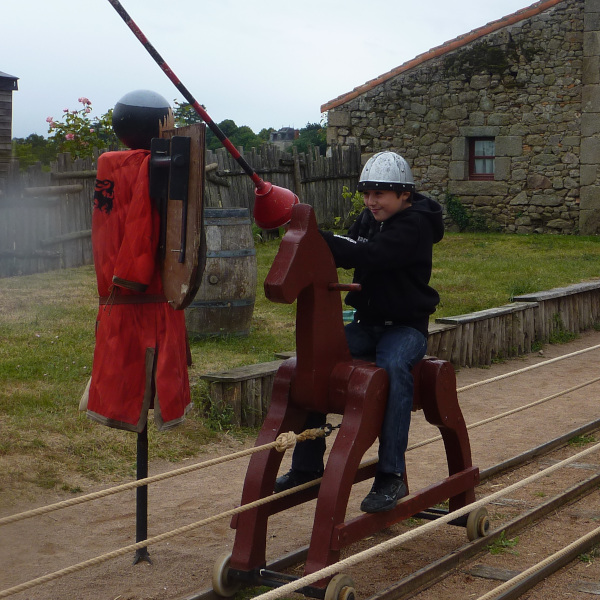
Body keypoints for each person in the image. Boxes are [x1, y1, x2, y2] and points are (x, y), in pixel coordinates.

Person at [274, 151, 444, 513]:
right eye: (367, 193)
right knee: (315, 361)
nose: (371, 201)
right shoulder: (369, 218)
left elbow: (369, 255)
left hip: (405, 328)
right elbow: (346, 250)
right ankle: (306, 466)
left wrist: (321, 239)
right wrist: (309, 242)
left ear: (404, 195)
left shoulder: (415, 226)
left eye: (380, 194)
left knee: (396, 367)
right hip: (367, 325)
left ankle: (391, 474)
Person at [86, 90, 192, 432]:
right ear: (160, 123)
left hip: (120, 301)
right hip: (141, 296)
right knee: (132, 377)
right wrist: (135, 272)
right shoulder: (147, 166)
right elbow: (140, 227)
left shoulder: (109, 163)